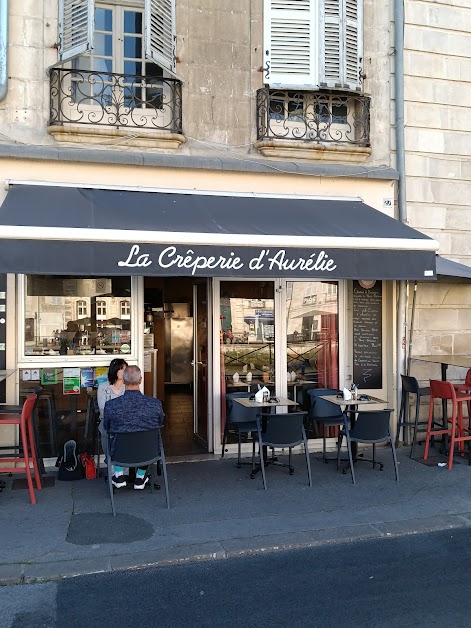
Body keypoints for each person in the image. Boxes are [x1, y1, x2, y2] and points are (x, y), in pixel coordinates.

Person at [103, 365, 164, 489]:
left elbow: (106, 427)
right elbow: (160, 422)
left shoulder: (111, 406)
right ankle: (140, 477)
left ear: (124, 381)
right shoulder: (155, 404)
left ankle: (118, 474)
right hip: (149, 453)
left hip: (120, 454)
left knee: (106, 433)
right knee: (147, 436)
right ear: (140, 380)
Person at [97, 358, 128, 454]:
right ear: (114, 370)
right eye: (121, 369)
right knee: (105, 428)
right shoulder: (103, 387)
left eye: (125, 369)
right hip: (108, 422)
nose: (124, 372)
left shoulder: (128, 386)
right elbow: (103, 410)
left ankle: (123, 464)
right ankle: (111, 460)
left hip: (125, 423)